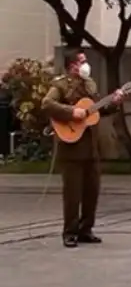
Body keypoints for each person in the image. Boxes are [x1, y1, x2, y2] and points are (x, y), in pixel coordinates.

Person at [41, 48, 125, 248]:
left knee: (91, 191)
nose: (86, 64)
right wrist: (71, 112)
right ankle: (69, 232)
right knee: (72, 194)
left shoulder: (90, 85)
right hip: (71, 148)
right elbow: (47, 104)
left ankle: (86, 229)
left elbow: (97, 110)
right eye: (82, 61)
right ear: (73, 65)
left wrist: (114, 103)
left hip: (91, 147)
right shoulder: (60, 85)